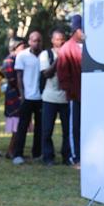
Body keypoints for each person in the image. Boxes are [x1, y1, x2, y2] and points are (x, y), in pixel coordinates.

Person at [40, 29, 71, 166]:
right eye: (57, 39)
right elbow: (46, 74)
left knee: (67, 130)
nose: (60, 41)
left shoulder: (70, 54)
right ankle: (48, 157)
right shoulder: (45, 55)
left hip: (66, 98)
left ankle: (67, 156)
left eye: (62, 39)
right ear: (52, 40)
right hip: (49, 98)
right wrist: (59, 59)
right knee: (47, 130)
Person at [56, 14, 84, 165]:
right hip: (75, 96)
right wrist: (71, 92)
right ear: (76, 30)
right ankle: (75, 156)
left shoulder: (90, 45)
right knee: (75, 127)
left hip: (90, 96)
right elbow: (62, 74)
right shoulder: (67, 48)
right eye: (82, 29)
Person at [12, 31, 43, 165]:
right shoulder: (22, 56)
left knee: (40, 127)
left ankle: (37, 153)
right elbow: (19, 76)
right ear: (29, 41)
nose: (36, 43)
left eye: (38, 40)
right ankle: (18, 154)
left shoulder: (44, 55)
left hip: (41, 97)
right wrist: (22, 95)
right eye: (34, 40)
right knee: (23, 126)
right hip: (27, 97)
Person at [1, 38, 26, 159]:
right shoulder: (9, 60)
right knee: (16, 125)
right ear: (15, 47)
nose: (24, 49)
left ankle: (13, 149)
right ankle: (11, 150)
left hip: (17, 94)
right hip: (14, 95)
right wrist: (21, 92)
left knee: (19, 124)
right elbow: (12, 80)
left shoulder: (17, 59)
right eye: (21, 47)